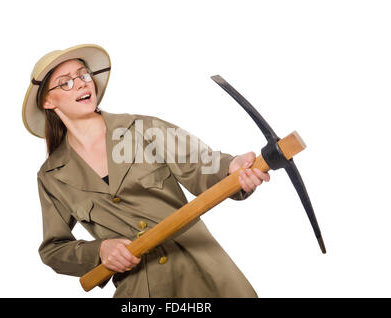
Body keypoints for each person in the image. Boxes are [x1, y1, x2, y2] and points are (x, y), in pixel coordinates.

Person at [22, 44, 270, 298]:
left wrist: (232, 168)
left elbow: (203, 165)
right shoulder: (52, 176)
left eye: (84, 75)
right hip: (141, 292)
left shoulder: (144, 129)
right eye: (65, 83)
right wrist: (100, 250)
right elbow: (53, 250)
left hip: (207, 274)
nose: (82, 84)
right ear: (48, 101)